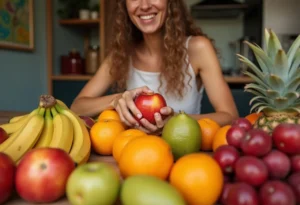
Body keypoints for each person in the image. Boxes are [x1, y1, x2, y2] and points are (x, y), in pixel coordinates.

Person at [70, 0, 239, 134]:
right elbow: (77, 107)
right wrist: (117, 99)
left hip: (185, 156)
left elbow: (230, 116)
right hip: (137, 154)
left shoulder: (198, 48)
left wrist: (176, 120)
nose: (144, 5)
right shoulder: (121, 55)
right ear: (125, 6)